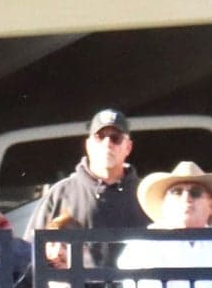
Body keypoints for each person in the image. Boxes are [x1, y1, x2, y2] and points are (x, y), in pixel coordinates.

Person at [25, 109, 146, 274]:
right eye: (100, 137)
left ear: (128, 147)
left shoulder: (146, 195)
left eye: (115, 138)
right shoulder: (61, 193)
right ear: (88, 145)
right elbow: (31, 251)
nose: (107, 143)